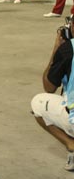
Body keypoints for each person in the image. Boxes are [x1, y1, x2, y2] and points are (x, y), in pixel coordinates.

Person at [31, 15, 74, 171]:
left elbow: (49, 87)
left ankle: (72, 145)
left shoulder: (68, 49)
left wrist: (56, 49)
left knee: (38, 102)